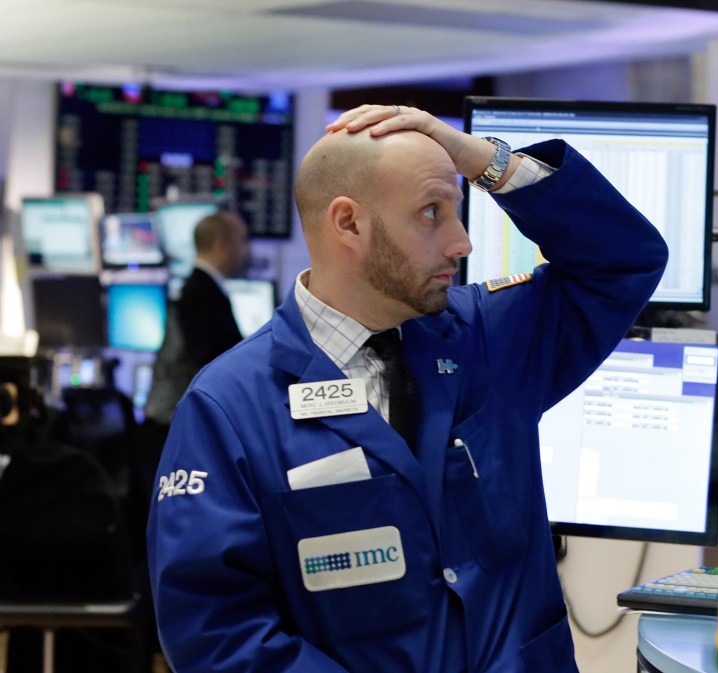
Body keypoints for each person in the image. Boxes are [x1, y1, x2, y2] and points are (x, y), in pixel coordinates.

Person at [147, 104, 669, 673]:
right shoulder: (230, 406)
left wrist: (481, 160)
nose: (461, 242)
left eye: (457, 209)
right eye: (431, 213)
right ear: (348, 223)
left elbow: (624, 261)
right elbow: (216, 634)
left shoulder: (489, 340)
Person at [143, 210, 249, 431]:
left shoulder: (199, 287)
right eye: (243, 240)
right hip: (177, 425)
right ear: (222, 244)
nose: (247, 250)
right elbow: (211, 363)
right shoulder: (202, 293)